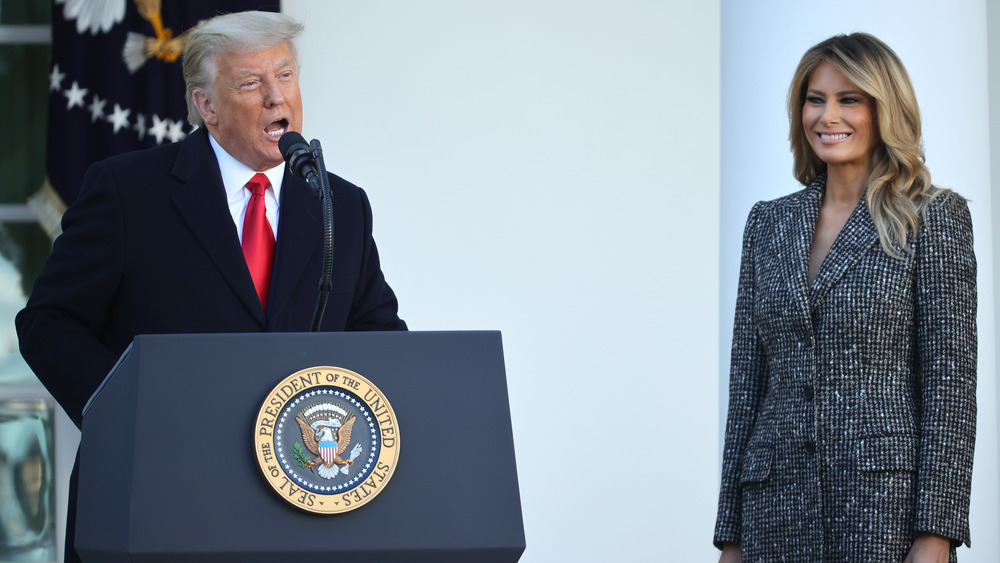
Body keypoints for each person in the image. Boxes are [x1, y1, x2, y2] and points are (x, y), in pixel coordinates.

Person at [16, 11, 406, 563]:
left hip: (301, 505)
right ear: (207, 106)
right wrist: (133, 415)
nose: (278, 98)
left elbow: (378, 334)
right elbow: (48, 322)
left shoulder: (339, 203)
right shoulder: (127, 191)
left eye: (286, 75)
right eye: (251, 83)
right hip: (155, 499)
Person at [714, 33, 976, 562]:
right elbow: (747, 386)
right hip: (772, 513)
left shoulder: (932, 218)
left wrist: (937, 534)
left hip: (883, 512)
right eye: (816, 99)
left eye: (849, 99)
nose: (827, 115)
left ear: (885, 109)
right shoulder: (768, 224)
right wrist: (731, 536)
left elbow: (950, 387)